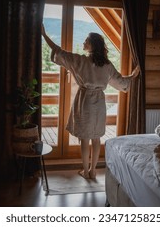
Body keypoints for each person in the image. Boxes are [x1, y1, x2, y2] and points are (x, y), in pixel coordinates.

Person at [41, 24, 140, 179]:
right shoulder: (107, 65)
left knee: (85, 138)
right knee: (96, 137)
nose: (83, 43)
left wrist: (45, 35)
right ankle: (93, 171)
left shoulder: (80, 61)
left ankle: (86, 171)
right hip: (99, 103)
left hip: (85, 101)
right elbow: (120, 81)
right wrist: (133, 76)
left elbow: (58, 52)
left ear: (92, 45)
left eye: (86, 41)